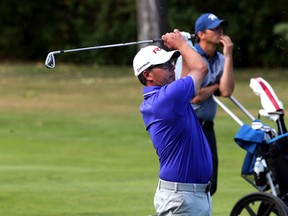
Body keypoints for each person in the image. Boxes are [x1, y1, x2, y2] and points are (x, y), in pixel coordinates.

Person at [133, 29, 213, 216]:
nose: (171, 67)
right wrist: (182, 45)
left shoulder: (168, 96)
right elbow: (200, 69)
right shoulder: (167, 98)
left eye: (171, 62)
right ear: (148, 75)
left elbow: (186, 75)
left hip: (191, 195)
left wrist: (184, 45)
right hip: (182, 198)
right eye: (164, 65)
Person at [181, 13, 235, 196]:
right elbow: (194, 96)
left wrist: (228, 57)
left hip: (208, 128)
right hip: (190, 126)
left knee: (211, 183)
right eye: (215, 29)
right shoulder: (192, 56)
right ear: (201, 34)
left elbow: (226, 91)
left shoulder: (220, 59)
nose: (220, 32)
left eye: (221, 28)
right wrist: (214, 87)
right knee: (192, 182)